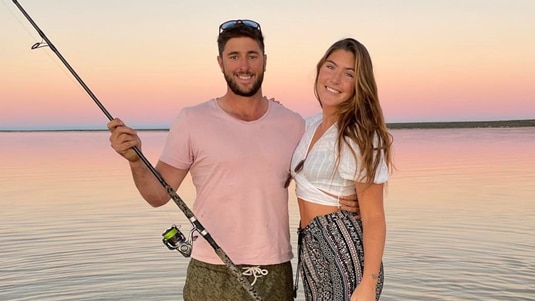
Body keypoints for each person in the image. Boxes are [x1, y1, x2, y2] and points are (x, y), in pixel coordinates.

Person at [107, 20, 358, 301]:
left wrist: (347, 198)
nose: (244, 66)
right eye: (234, 56)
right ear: (220, 62)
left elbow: (315, 181)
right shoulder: (192, 120)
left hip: (275, 272)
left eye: (252, 56)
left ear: (264, 61)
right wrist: (134, 160)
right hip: (210, 272)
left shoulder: (293, 124)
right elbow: (157, 195)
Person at [290, 38, 393, 301]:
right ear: (319, 70)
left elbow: (373, 216)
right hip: (312, 246)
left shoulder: (360, 134)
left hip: (343, 248)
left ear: (359, 85)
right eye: (330, 67)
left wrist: (368, 284)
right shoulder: (310, 125)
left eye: (349, 74)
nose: (335, 79)